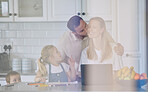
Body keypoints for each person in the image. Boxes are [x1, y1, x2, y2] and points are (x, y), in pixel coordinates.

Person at [57, 15, 124, 76]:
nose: (87, 30)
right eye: (82, 30)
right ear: (74, 33)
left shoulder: (111, 45)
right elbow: (57, 58)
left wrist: (119, 49)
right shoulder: (66, 41)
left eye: (86, 26)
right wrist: (71, 65)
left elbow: (110, 43)